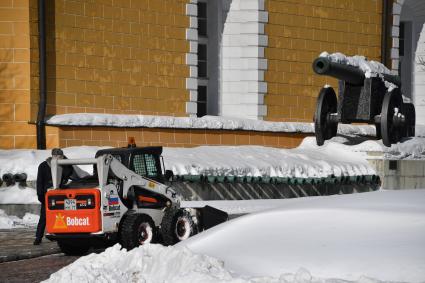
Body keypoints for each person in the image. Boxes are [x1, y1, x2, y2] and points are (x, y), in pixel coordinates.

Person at [34, 148, 64, 245]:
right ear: (52, 156)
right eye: (55, 156)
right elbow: (39, 181)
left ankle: (62, 235)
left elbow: (70, 173)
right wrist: (40, 195)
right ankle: (38, 237)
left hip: (60, 195)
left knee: (61, 217)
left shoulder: (64, 165)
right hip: (47, 195)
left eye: (60, 157)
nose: (57, 158)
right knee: (43, 217)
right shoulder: (43, 166)